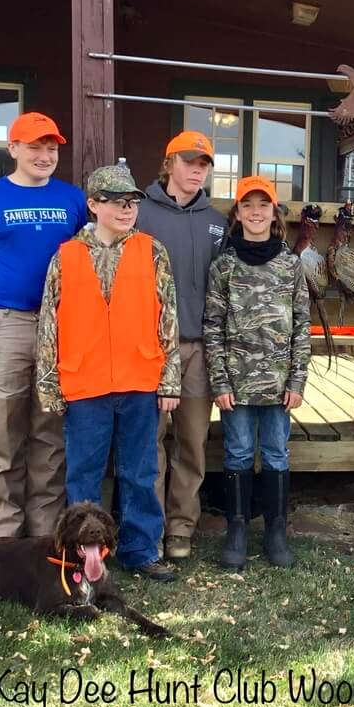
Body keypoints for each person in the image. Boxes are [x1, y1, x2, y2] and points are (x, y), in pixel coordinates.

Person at [35, 164, 181, 582]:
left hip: (140, 380)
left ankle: (140, 551)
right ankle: (84, 556)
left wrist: (170, 378)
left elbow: (169, 317)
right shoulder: (65, 255)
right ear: (93, 205)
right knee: (84, 475)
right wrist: (49, 385)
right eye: (116, 202)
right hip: (85, 383)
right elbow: (49, 323)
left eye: (131, 202)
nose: (126, 209)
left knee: (141, 472)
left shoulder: (153, 251)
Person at [0, 112, 86, 539]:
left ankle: (44, 536)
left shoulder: (73, 199)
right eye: (34, 147)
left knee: (50, 435)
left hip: (61, 326)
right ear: (13, 149)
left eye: (51, 148)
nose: (44, 155)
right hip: (4, 325)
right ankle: (6, 537)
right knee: (3, 435)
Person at [203, 175, 311, 570]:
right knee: (239, 452)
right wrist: (219, 380)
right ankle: (237, 528)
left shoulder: (290, 264)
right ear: (237, 213)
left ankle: (276, 530)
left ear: (274, 212)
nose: (255, 212)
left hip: (279, 384)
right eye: (247, 205)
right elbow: (212, 326)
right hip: (236, 383)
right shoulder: (224, 266)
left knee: (277, 452)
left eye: (263, 205)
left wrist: (297, 379)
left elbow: (302, 325)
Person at [135, 131, 228, 560]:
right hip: (150, 347)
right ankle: (149, 528)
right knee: (148, 444)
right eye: (190, 161)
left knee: (192, 442)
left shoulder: (217, 222)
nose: (197, 170)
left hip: (199, 347)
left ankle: (181, 529)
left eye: (204, 164)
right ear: (169, 162)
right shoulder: (140, 213)